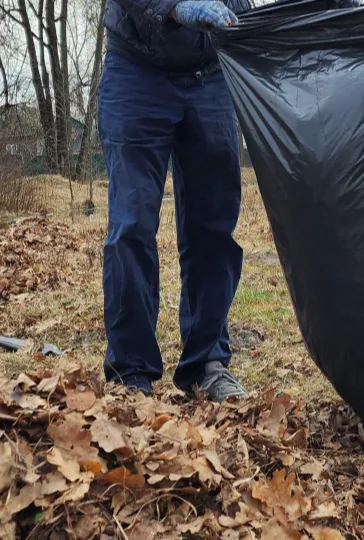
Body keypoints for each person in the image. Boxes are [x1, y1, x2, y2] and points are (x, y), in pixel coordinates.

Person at [99, 0, 254, 401]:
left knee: (214, 226)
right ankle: (130, 372)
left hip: (212, 71)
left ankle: (207, 364)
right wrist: (173, 6)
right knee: (131, 224)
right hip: (136, 70)